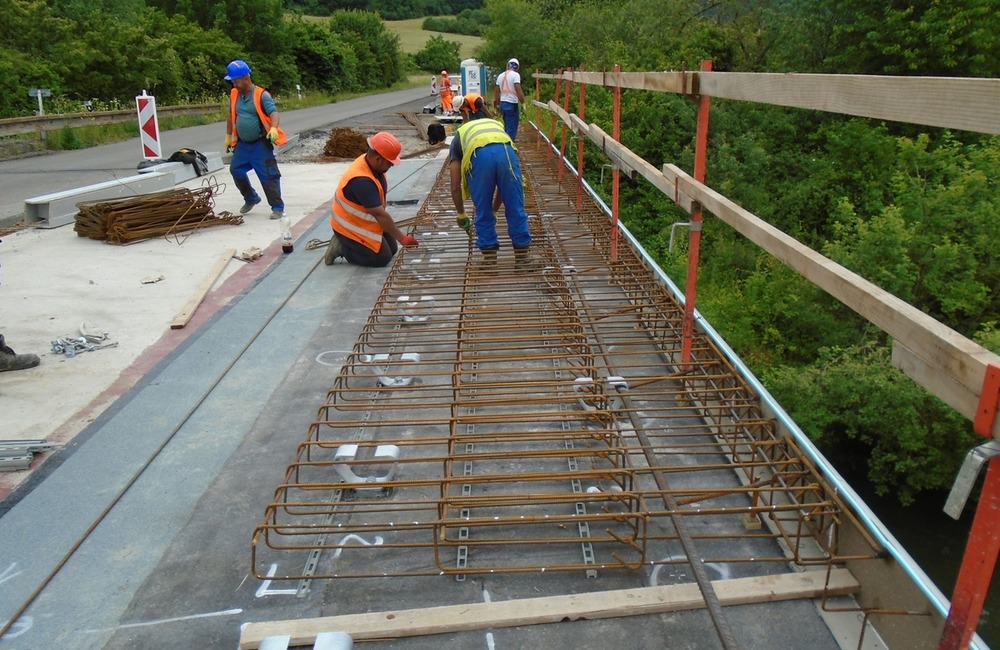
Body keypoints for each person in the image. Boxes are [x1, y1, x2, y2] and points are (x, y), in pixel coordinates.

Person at [325, 132, 420, 268]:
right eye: (390, 162)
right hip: (347, 226)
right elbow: (379, 214)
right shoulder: (361, 181)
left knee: (392, 249)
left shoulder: (371, 164)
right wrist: (402, 237)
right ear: (378, 159)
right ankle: (342, 248)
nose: (392, 165)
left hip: (363, 221)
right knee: (381, 258)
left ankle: (350, 245)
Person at [448, 110, 532, 262]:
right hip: (506, 152)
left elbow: (455, 185)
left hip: (479, 156)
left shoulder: (459, 137)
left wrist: (461, 214)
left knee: (482, 209)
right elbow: (504, 187)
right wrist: (495, 210)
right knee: (515, 205)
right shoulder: (496, 125)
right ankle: (522, 260)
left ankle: (490, 261)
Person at [224, 59, 288, 220]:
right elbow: (231, 115)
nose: (233, 83)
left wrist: (273, 128)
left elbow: (274, 113)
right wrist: (228, 136)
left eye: (235, 80)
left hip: (260, 143)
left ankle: (277, 207)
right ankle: (251, 197)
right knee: (235, 170)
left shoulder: (261, 95)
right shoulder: (234, 94)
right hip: (243, 144)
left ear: (246, 78)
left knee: (268, 175)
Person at [494, 58, 525, 141]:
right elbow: (518, 89)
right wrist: (522, 102)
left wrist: (497, 104)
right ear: (517, 67)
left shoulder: (500, 76)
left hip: (503, 104)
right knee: (512, 126)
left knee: (507, 125)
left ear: (508, 65)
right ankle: (510, 146)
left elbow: (497, 91)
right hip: (511, 104)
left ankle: (507, 142)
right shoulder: (516, 75)